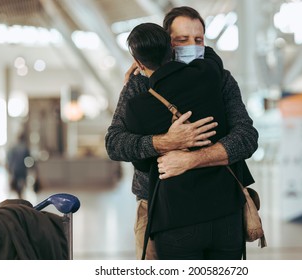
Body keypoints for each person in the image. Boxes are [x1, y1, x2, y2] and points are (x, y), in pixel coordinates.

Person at [105, 6, 258, 260]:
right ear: (167, 43)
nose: (192, 47)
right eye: (181, 40)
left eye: (198, 40)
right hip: (157, 208)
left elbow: (246, 137)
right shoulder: (140, 83)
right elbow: (114, 143)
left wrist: (191, 159)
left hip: (219, 207)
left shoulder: (220, 79)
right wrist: (165, 142)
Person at [7, 133, 30, 199]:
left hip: (14, 169)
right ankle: (21, 194)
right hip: (22, 168)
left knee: (16, 182)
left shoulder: (13, 147)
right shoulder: (25, 147)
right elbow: (29, 159)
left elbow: (10, 159)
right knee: (22, 182)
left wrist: (10, 168)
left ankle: (19, 194)